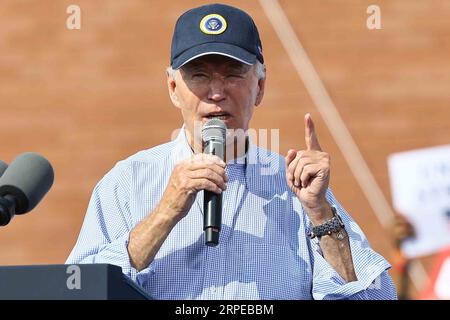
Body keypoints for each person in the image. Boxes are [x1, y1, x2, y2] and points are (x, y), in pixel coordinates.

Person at [66, 3, 397, 300]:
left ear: (260, 87)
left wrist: (321, 214)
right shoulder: (128, 182)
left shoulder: (298, 188)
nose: (216, 92)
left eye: (233, 74)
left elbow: (374, 298)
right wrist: (165, 213)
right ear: (173, 89)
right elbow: (74, 290)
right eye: (199, 76)